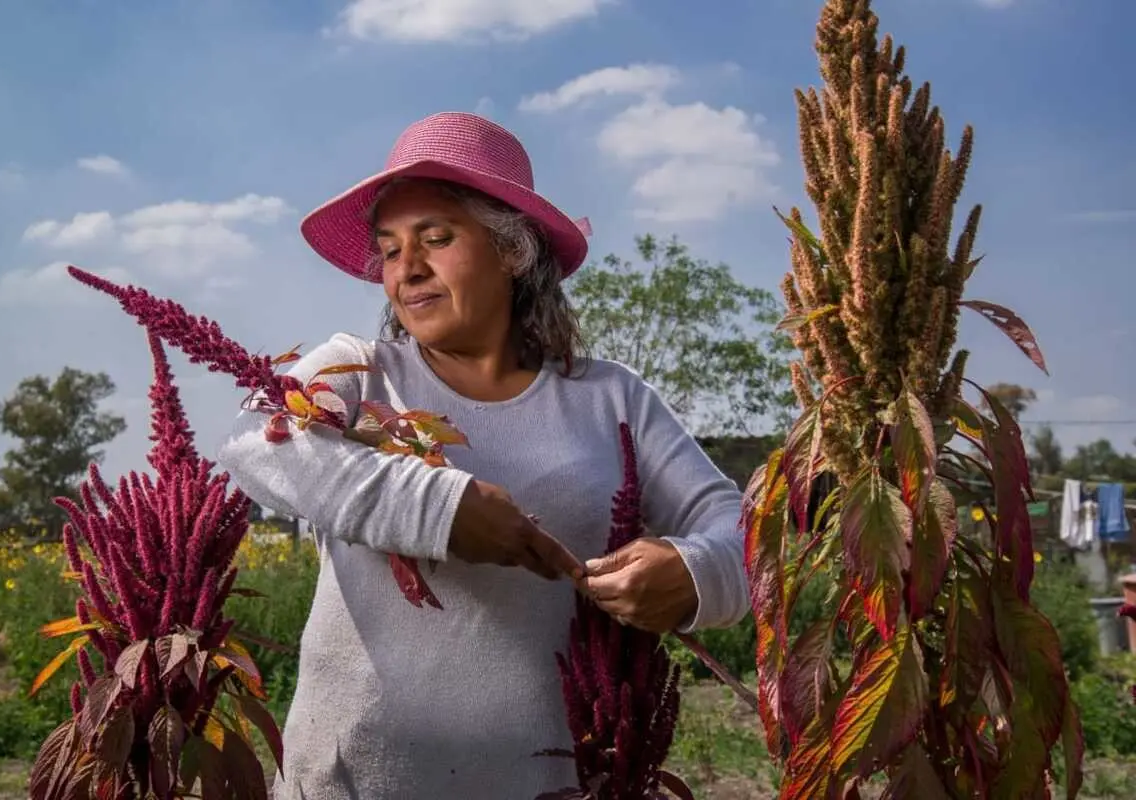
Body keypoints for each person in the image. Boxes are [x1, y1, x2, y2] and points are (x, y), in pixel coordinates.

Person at [215, 111, 749, 800]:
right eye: (391, 248)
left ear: (513, 251)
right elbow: (263, 446)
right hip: (353, 780)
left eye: (436, 239)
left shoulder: (610, 398)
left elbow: (736, 527)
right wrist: (440, 508)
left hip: (556, 782)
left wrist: (693, 573)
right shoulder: (358, 370)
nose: (406, 269)